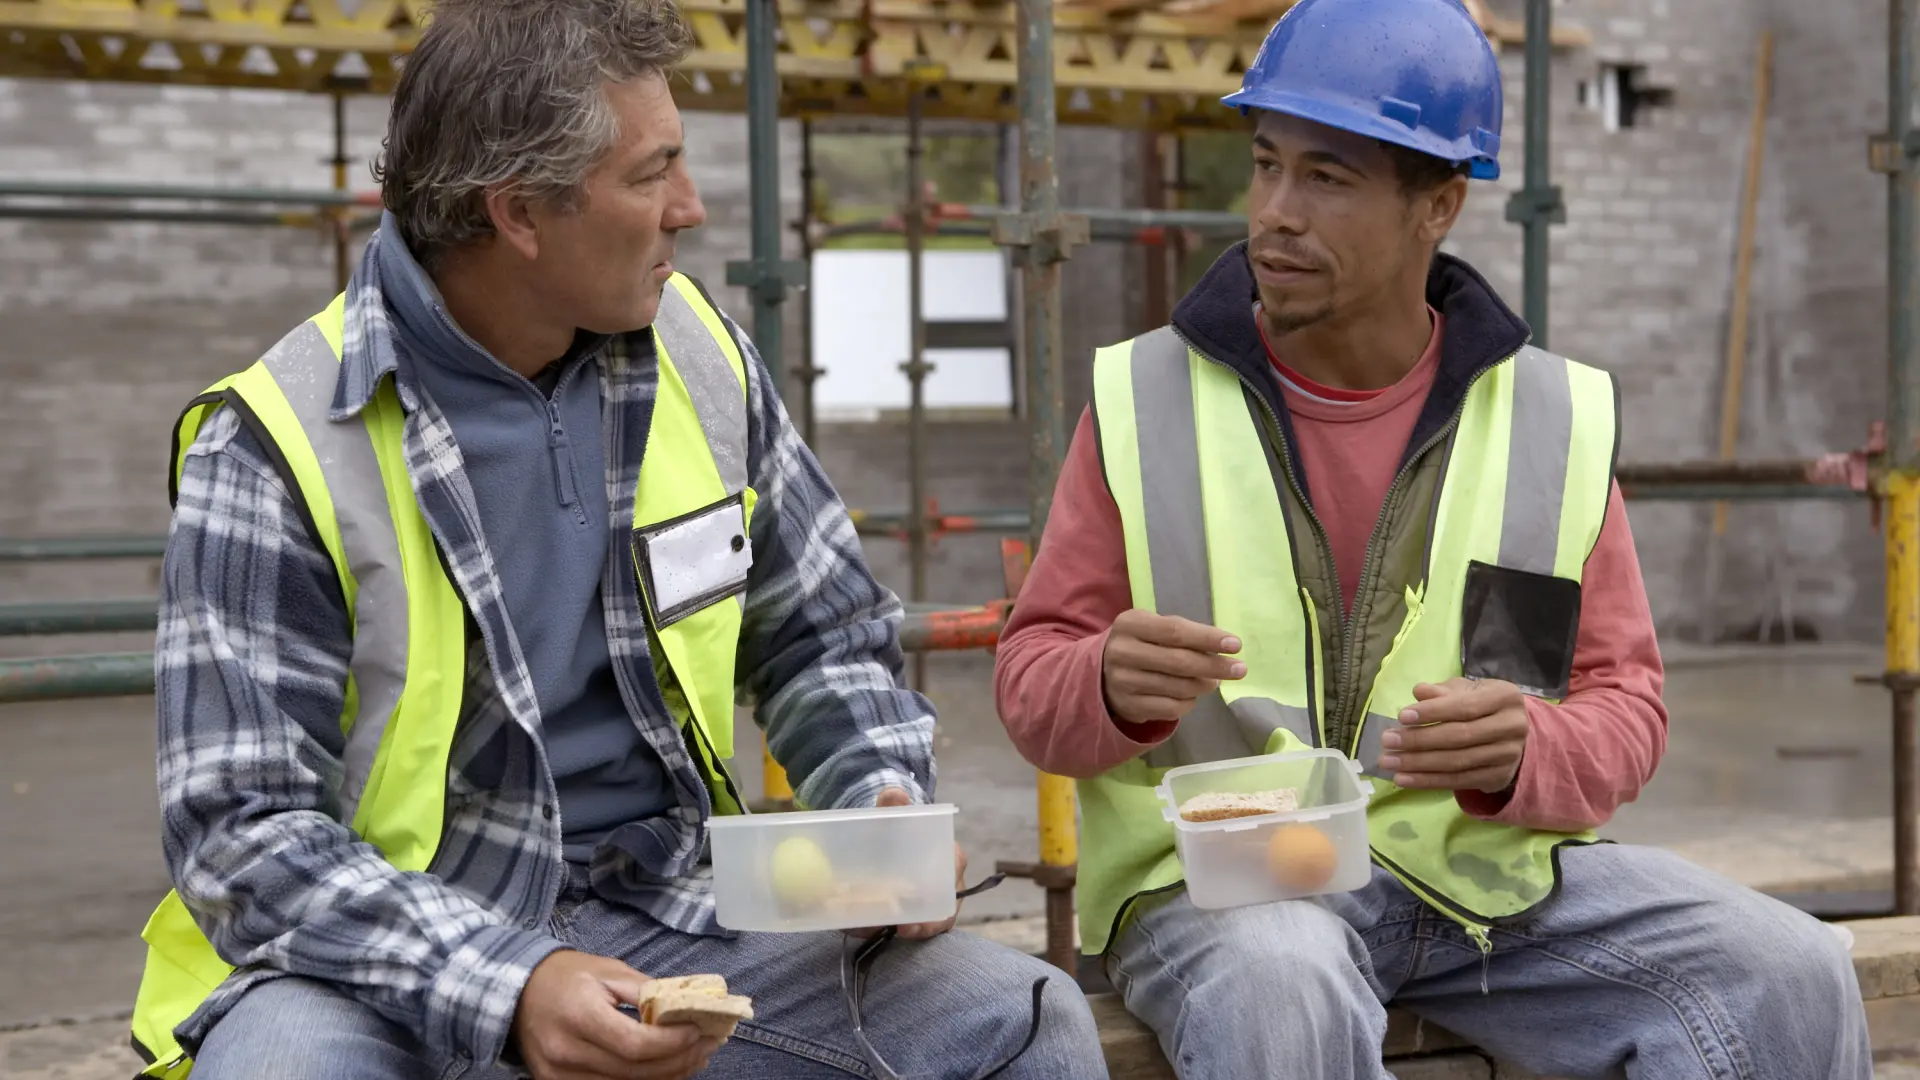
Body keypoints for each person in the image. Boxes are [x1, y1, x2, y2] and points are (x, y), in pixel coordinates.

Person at [128, 1, 1106, 1077]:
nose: (688, 210)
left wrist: (876, 798)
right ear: (520, 215)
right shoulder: (273, 443)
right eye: (652, 176)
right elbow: (242, 833)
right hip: (380, 971)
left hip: (668, 916)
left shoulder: (697, 355)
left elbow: (823, 638)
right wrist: (510, 983)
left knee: (1017, 1020)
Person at [992, 0, 1872, 1076]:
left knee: (1791, 970)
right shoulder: (1144, 400)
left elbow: (1622, 711)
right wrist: (1107, 686)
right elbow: (1034, 687)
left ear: (1438, 206)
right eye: (1267, 164)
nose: (1274, 211)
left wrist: (1527, 750)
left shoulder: (1547, 421)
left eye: (1327, 177)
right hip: (1228, 884)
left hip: (1485, 886)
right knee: (1286, 990)